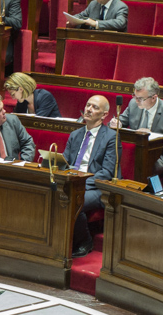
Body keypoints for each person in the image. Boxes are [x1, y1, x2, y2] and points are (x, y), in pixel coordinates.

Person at [63, 95, 119, 257]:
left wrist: (80, 184)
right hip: (74, 181)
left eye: (95, 107)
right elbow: (65, 162)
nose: (88, 109)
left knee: (73, 199)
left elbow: (107, 172)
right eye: (88, 105)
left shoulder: (111, 137)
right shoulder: (75, 134)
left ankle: (85, 241)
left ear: (104, 115)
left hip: (97, 186)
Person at [108, 77, 163, 189]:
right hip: (136, 150)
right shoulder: (133, 104)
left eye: (140, 99)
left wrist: (157, 139)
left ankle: (143, 195)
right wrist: (117, 122)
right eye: (134, 96)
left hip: (161, 156)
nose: (136, 101)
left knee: (143, 163)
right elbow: (123, 120)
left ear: (154, 97)